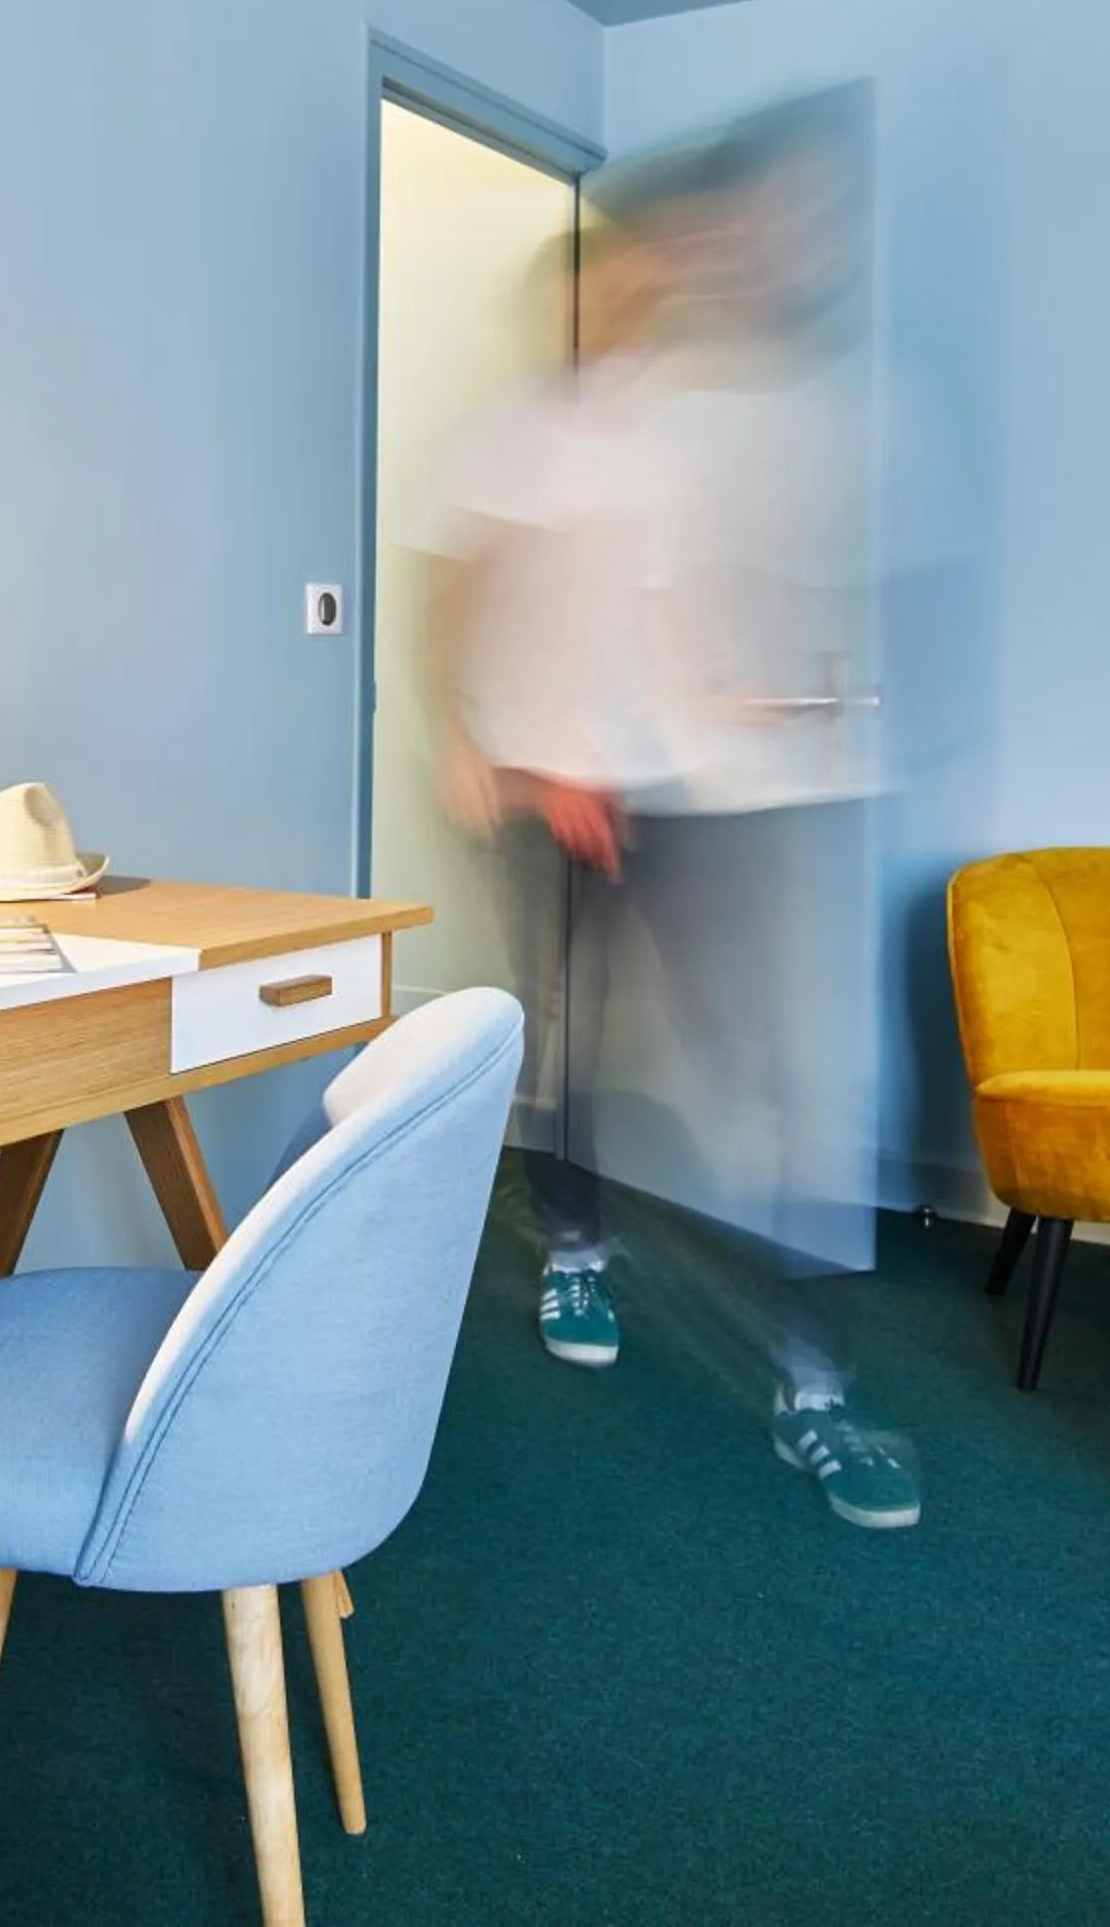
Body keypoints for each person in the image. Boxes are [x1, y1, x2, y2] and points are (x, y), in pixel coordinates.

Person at [413, 101, 918, 1530]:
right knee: (563, 1022)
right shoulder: (517, 436)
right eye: (611, 285)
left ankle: (812, 1383)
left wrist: (736, 712)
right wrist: (496, 744)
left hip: (683, 795)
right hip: (547, 784)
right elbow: (475, 599)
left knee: (762, 1061)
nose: (641, 301)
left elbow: (677, 608)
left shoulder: (696, 426)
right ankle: (573, 1241)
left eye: (652, 280)